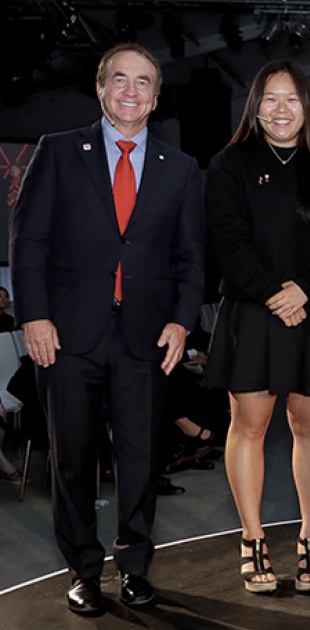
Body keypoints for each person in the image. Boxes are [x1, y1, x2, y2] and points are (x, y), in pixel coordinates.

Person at [8, 43, 205, 614]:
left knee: (142, 458)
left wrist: (180, 320)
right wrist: (34, 315)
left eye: (143, 82)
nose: (130, 91)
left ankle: (136, 566)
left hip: (145, 338)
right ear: (100, 88)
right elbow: (28, 243)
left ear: (156, 96)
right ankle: (83, 570)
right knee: (71, 458)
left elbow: (191, 259)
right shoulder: (59, 151)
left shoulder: (182, 169)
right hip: (66, 337)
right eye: (119, 79)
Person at [205, 60, 310, 594]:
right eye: (270, 99)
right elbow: (226, 242)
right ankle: (252, 537)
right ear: (254, 105)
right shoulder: (229, 164)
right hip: (253, 311)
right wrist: (274, 294)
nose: (281, 109)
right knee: (251, 427)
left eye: (292, 99)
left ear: (306, 107)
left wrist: (304, 288)